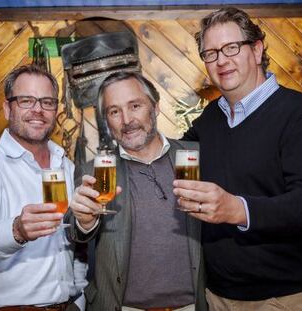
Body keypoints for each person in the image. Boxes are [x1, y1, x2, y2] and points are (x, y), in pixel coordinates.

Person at [173, 7, 302, 310]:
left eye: (231, 48)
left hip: (289, 298)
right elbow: (173, 156)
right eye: (210, 53)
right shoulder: (209, 120)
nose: (221, 60)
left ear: (257, 49)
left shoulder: (301, 114)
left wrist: (237, 209)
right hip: (219, 297)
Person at [66, 71, 207, 311]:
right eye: (114, 111)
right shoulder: (95, 170)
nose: (126, 120)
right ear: (107, 122)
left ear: (156, 107)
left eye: (135, 106)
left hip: (192, 306)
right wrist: (84, 222)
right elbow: (75, 229)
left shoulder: (194, 155)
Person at [0, 64, 87, 310]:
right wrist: (16, 231)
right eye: (26, 100)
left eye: (47, 102)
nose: (38, 109)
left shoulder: (66, 166)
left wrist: (79, 298)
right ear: (7, 108)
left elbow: (75, 244)